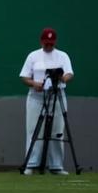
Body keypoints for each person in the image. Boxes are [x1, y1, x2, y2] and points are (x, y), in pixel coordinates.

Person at [19, 27, 74, 175]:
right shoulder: (33, 56)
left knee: (57, 130)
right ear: (41, 41)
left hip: (57, 95)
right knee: (34, 129)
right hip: (37, 96)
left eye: (51, 43)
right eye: (46, 43)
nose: (48, 45)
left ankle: (56, 165)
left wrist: (62, 78)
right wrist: (34, 83)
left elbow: (69, 73)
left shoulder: (62, 56)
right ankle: (31, 163)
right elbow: (24, 76)